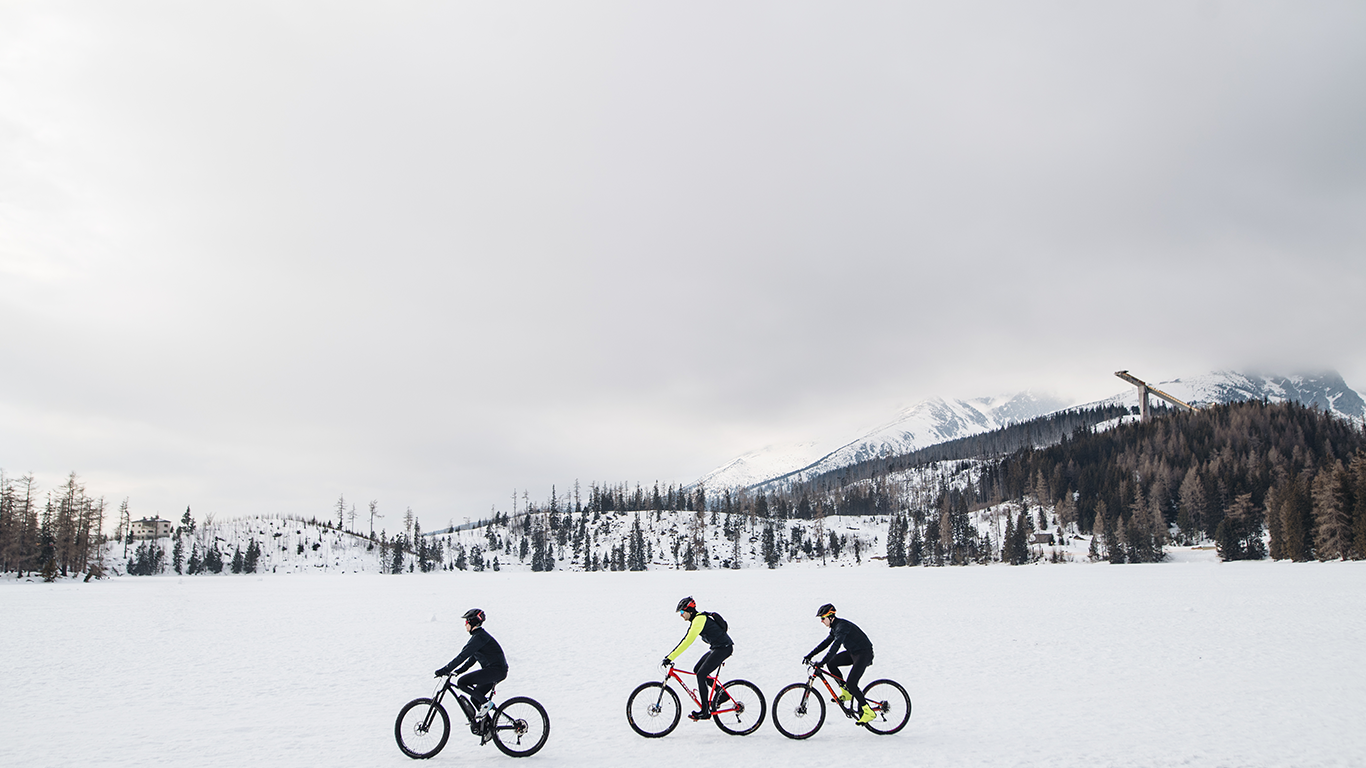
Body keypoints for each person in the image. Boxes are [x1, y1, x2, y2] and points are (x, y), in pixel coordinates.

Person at [662, 596, 733, 721]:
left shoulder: (699, 620)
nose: (681, 615)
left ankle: (705, 711)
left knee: (701, 674)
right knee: (697, 670)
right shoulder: (697, 619)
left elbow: (687, 641)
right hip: (717, 648)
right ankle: (722, 695)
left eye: (682, 612)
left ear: (690, 611)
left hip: (723, 648)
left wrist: (670, 657)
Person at [804, 603, 876, 724]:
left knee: (852, 683)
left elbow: (835, 647)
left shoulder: (842, 627)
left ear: (831, 617)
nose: (821, 621)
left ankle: (868, 711)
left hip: (864, 654)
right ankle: (846, 692)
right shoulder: (835, 627)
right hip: (853, 653)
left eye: (823, 618)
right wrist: (810, 655)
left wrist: (822, 661)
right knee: (831, 663)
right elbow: (826, 643)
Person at [435, 608, 508, 720]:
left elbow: (462, 656)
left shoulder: (479, 637)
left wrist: (445, 670)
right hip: (496, 671)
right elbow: (470, 660)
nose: (465, 625)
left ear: (472, 622)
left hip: (496, 671)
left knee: (462, 682)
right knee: (475, 698)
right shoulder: (479, 637)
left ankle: (486, 704)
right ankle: (488, 726)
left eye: (466, 622)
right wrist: (457, 671)